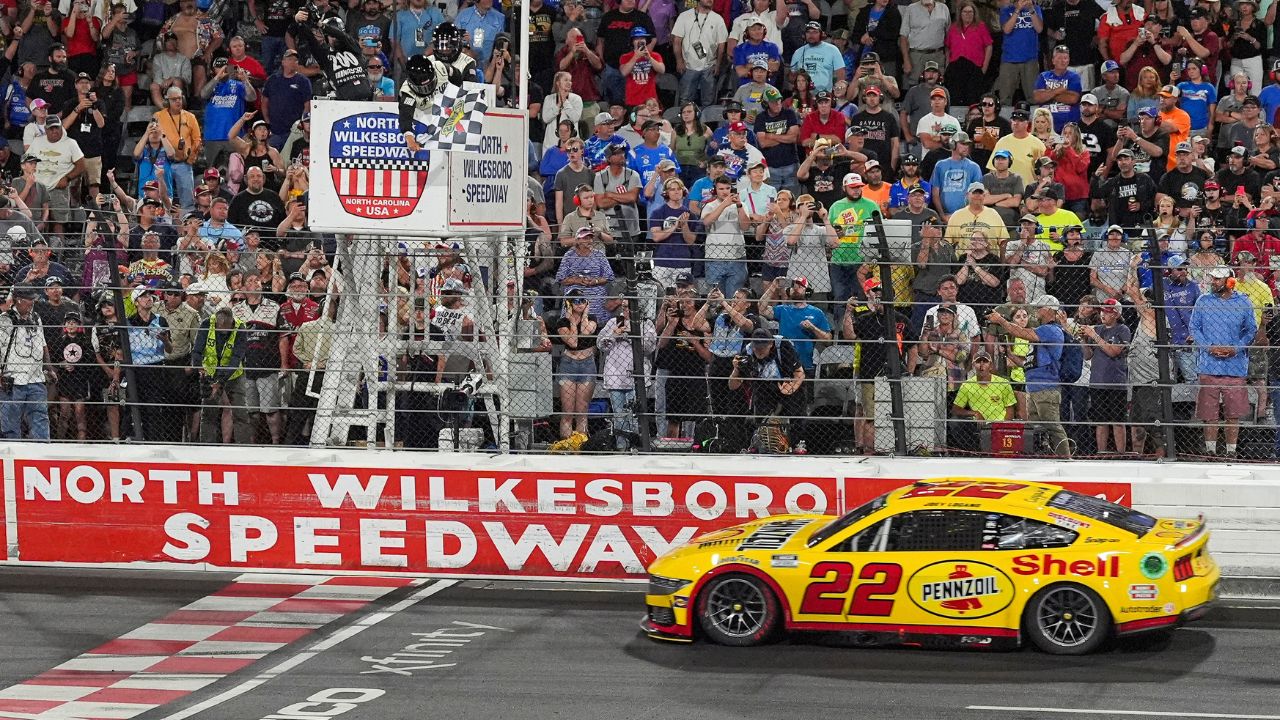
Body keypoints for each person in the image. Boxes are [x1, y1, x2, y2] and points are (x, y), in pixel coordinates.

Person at [987, 295, 1071, 456]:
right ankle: (1042, 457)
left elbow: (1020, 332)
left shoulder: (1050, 330)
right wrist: (1011, 355)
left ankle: (1066, 459)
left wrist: (1001, 321)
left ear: (1047, 310)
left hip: (1046, 386)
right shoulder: (1044, 331)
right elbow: (1030, 363)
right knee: (1036, 428)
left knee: (1053, 426)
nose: (1037, 311)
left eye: (1039, 308)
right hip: (1034, 387)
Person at [1190, 266, 1258, 458]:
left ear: (1230, 281)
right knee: (1208, 412)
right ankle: (1210, 450)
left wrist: (1235, 348)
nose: (1214, 282)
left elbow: (1250, 330)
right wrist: (1209, 347)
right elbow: (1194, 328)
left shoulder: (1244, 302)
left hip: (1235, 366)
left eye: (1218, 279)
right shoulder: (1203, 301)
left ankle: (1231, 452)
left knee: (1233, 413)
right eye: (1213, 279)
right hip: (1208, 364)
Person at [844, 277, 907, 453]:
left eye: (880, 291)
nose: (877, 294)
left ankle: (881, 445)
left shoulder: (894, 315)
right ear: (867, 292)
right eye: (874, 291)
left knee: (883, 407)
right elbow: (849, 335)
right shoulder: (859, 310)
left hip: (885, 364)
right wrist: (848, 311)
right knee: (862, 408)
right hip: (862, 362)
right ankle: (860, 445)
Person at [597, 299, 655, 450]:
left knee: (635, 416)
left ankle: (635, 447)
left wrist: (631, 335)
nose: (625, 311)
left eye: (628, 308)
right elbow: (601, 344)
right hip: (615, 376)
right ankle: (621, 448)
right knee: (619, 416)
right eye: (623, 307)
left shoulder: (646, 323)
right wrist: (613, 334)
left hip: (637, 377)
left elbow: (649, 348)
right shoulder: (613, 322)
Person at [728, 327, 805, 427]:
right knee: (762, 423)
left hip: (787, 382)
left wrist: (792, 388)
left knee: (794, 420)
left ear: (770, 344)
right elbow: (733, 386)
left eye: (763, 348)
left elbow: (799, 373)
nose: (759, 351)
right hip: (763, 388)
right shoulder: (747, 352)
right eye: (756, 347)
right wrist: (736, 369)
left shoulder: (783, 346)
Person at [0, 287, 50, 440]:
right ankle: (12, 452)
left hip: (36, 377)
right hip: (13, 377)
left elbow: (42, 343)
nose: (32, 302)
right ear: (19, 300)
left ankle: (41, 451)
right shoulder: (5, 320)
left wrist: (49, 367)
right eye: (29, 299)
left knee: (40, 416)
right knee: (10, 420)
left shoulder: (36, 318)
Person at [950, 348, 1016, 453]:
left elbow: (1010, 409)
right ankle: (973, 451)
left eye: (985, 361)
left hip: (999, 424)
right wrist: (975, 413)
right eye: (978, 362)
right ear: (973, 365)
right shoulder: (967, 385)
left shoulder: (1003, 383)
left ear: (990, 366)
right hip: (979, 425)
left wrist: (1003, 425)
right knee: (955, 422)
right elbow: (955, 409)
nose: (981, 365)